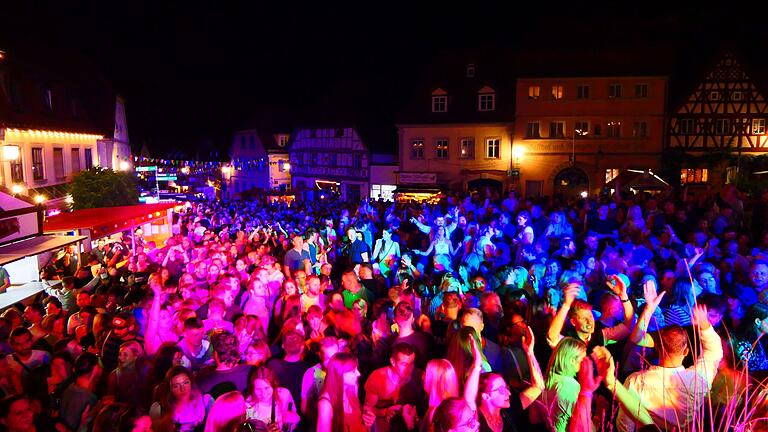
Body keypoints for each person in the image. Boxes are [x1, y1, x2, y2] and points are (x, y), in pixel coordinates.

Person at [618, 304, 723, 432]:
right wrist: (704, 326)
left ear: (657, 348)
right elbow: (714, 352)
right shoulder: (698, 380)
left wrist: (649, 308)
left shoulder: (636, 382)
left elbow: (624, 425)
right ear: (686, 352)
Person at [316, 352, 371, 432]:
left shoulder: (352, 388)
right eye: (353, 371)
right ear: (339, 373)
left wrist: (365, 416)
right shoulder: (326, 404)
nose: (358, 374)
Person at [150, 366, 213, 432]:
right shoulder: (159, 409)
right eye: (176, 386)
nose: (183, 389)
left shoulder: (206, 402)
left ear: (191, 382)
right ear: (170, 389)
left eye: (186, 383)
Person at [244, 366, 300, 431]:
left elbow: (295, 422)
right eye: (258, 389)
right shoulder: (249, 406)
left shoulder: (284, 395)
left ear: (273, 386)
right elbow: (251, 429)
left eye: (267, 388)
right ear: (253, 389)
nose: (263, 393)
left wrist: (294, 418)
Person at [60, 352, 103, 432]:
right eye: (99, 363)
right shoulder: (87, 399)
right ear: (95, 369)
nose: (102, 367)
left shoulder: (70, 387)